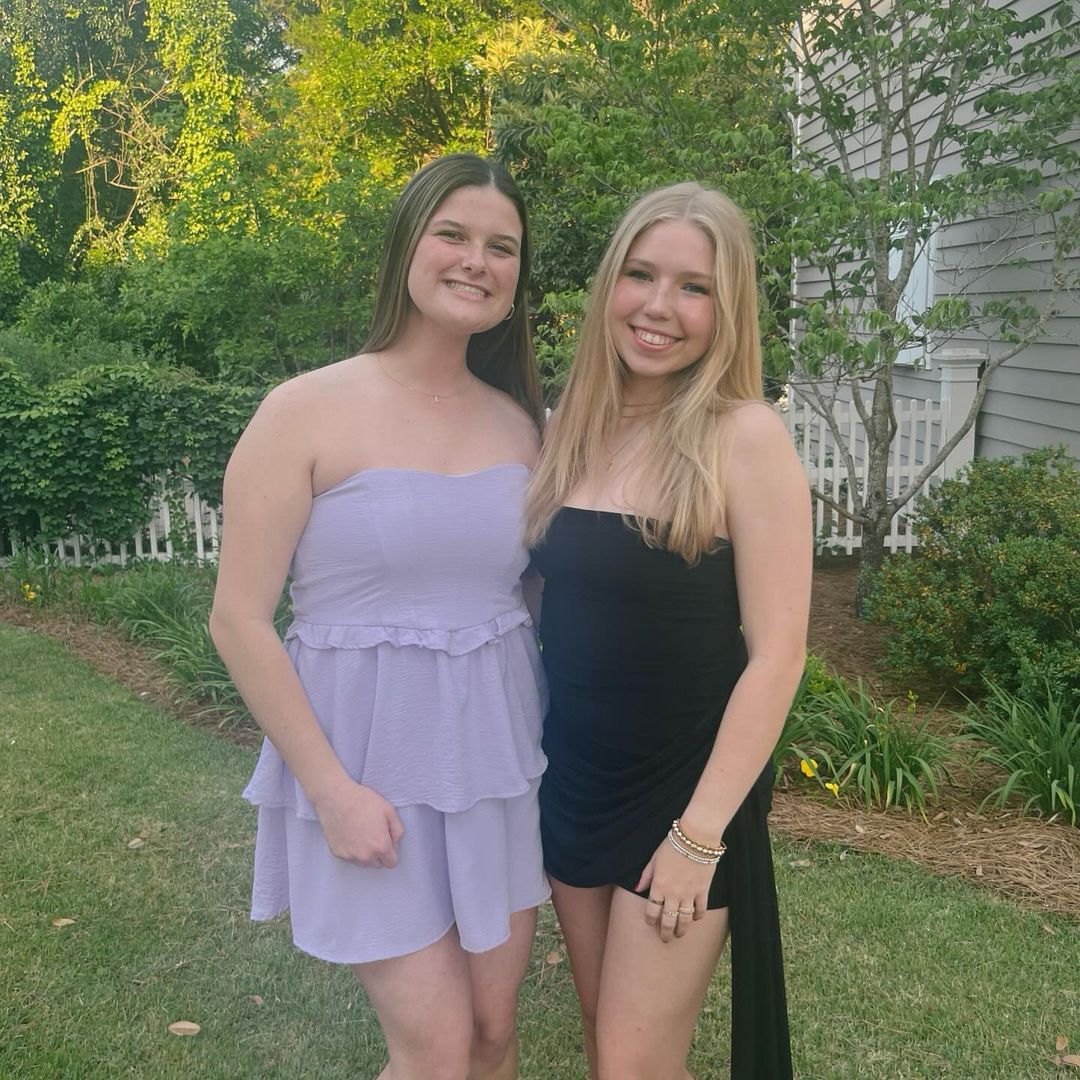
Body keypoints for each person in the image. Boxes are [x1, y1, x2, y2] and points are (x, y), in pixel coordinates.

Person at [209, 153, 549, 1080]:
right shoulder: (304, 410)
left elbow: (534, 596)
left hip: (493, 770)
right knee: (436, 1053)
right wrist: (329, 791)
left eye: (502, 247)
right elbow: (238, 618)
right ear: (407, 245)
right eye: (454, 235)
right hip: (366, 774)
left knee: (493, 1034)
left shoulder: (523, 426)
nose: (477, 261)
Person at [525, 182, 811, 1080]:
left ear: (728, 311)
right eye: (641, 275)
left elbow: (779, 655)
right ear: (610, 283)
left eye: (694, 288)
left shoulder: (745, 437)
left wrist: (699, 836)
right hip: (573, 779)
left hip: (684, 793)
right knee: (604, 1035)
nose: (658, 306)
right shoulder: (570, 429)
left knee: (633, 1062)